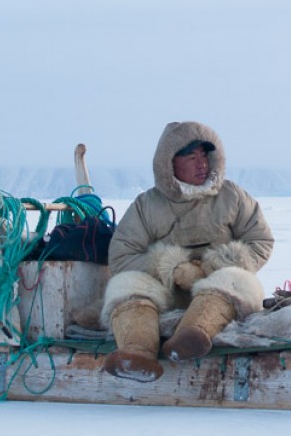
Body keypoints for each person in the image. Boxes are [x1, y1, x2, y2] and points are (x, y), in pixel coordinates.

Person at [100, 121, 274, 382]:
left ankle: (191, 337)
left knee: (238, 279)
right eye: (191, 157)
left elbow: (260, 239)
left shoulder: (232, 196)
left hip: (219, 291)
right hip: (165, 292)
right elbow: (122, 254)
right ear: (169, 163)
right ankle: (136, 353)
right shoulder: (147, 205)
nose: (201, 163)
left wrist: (215, 266)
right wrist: (170, 269)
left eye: (204, 155)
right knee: (124, 284)